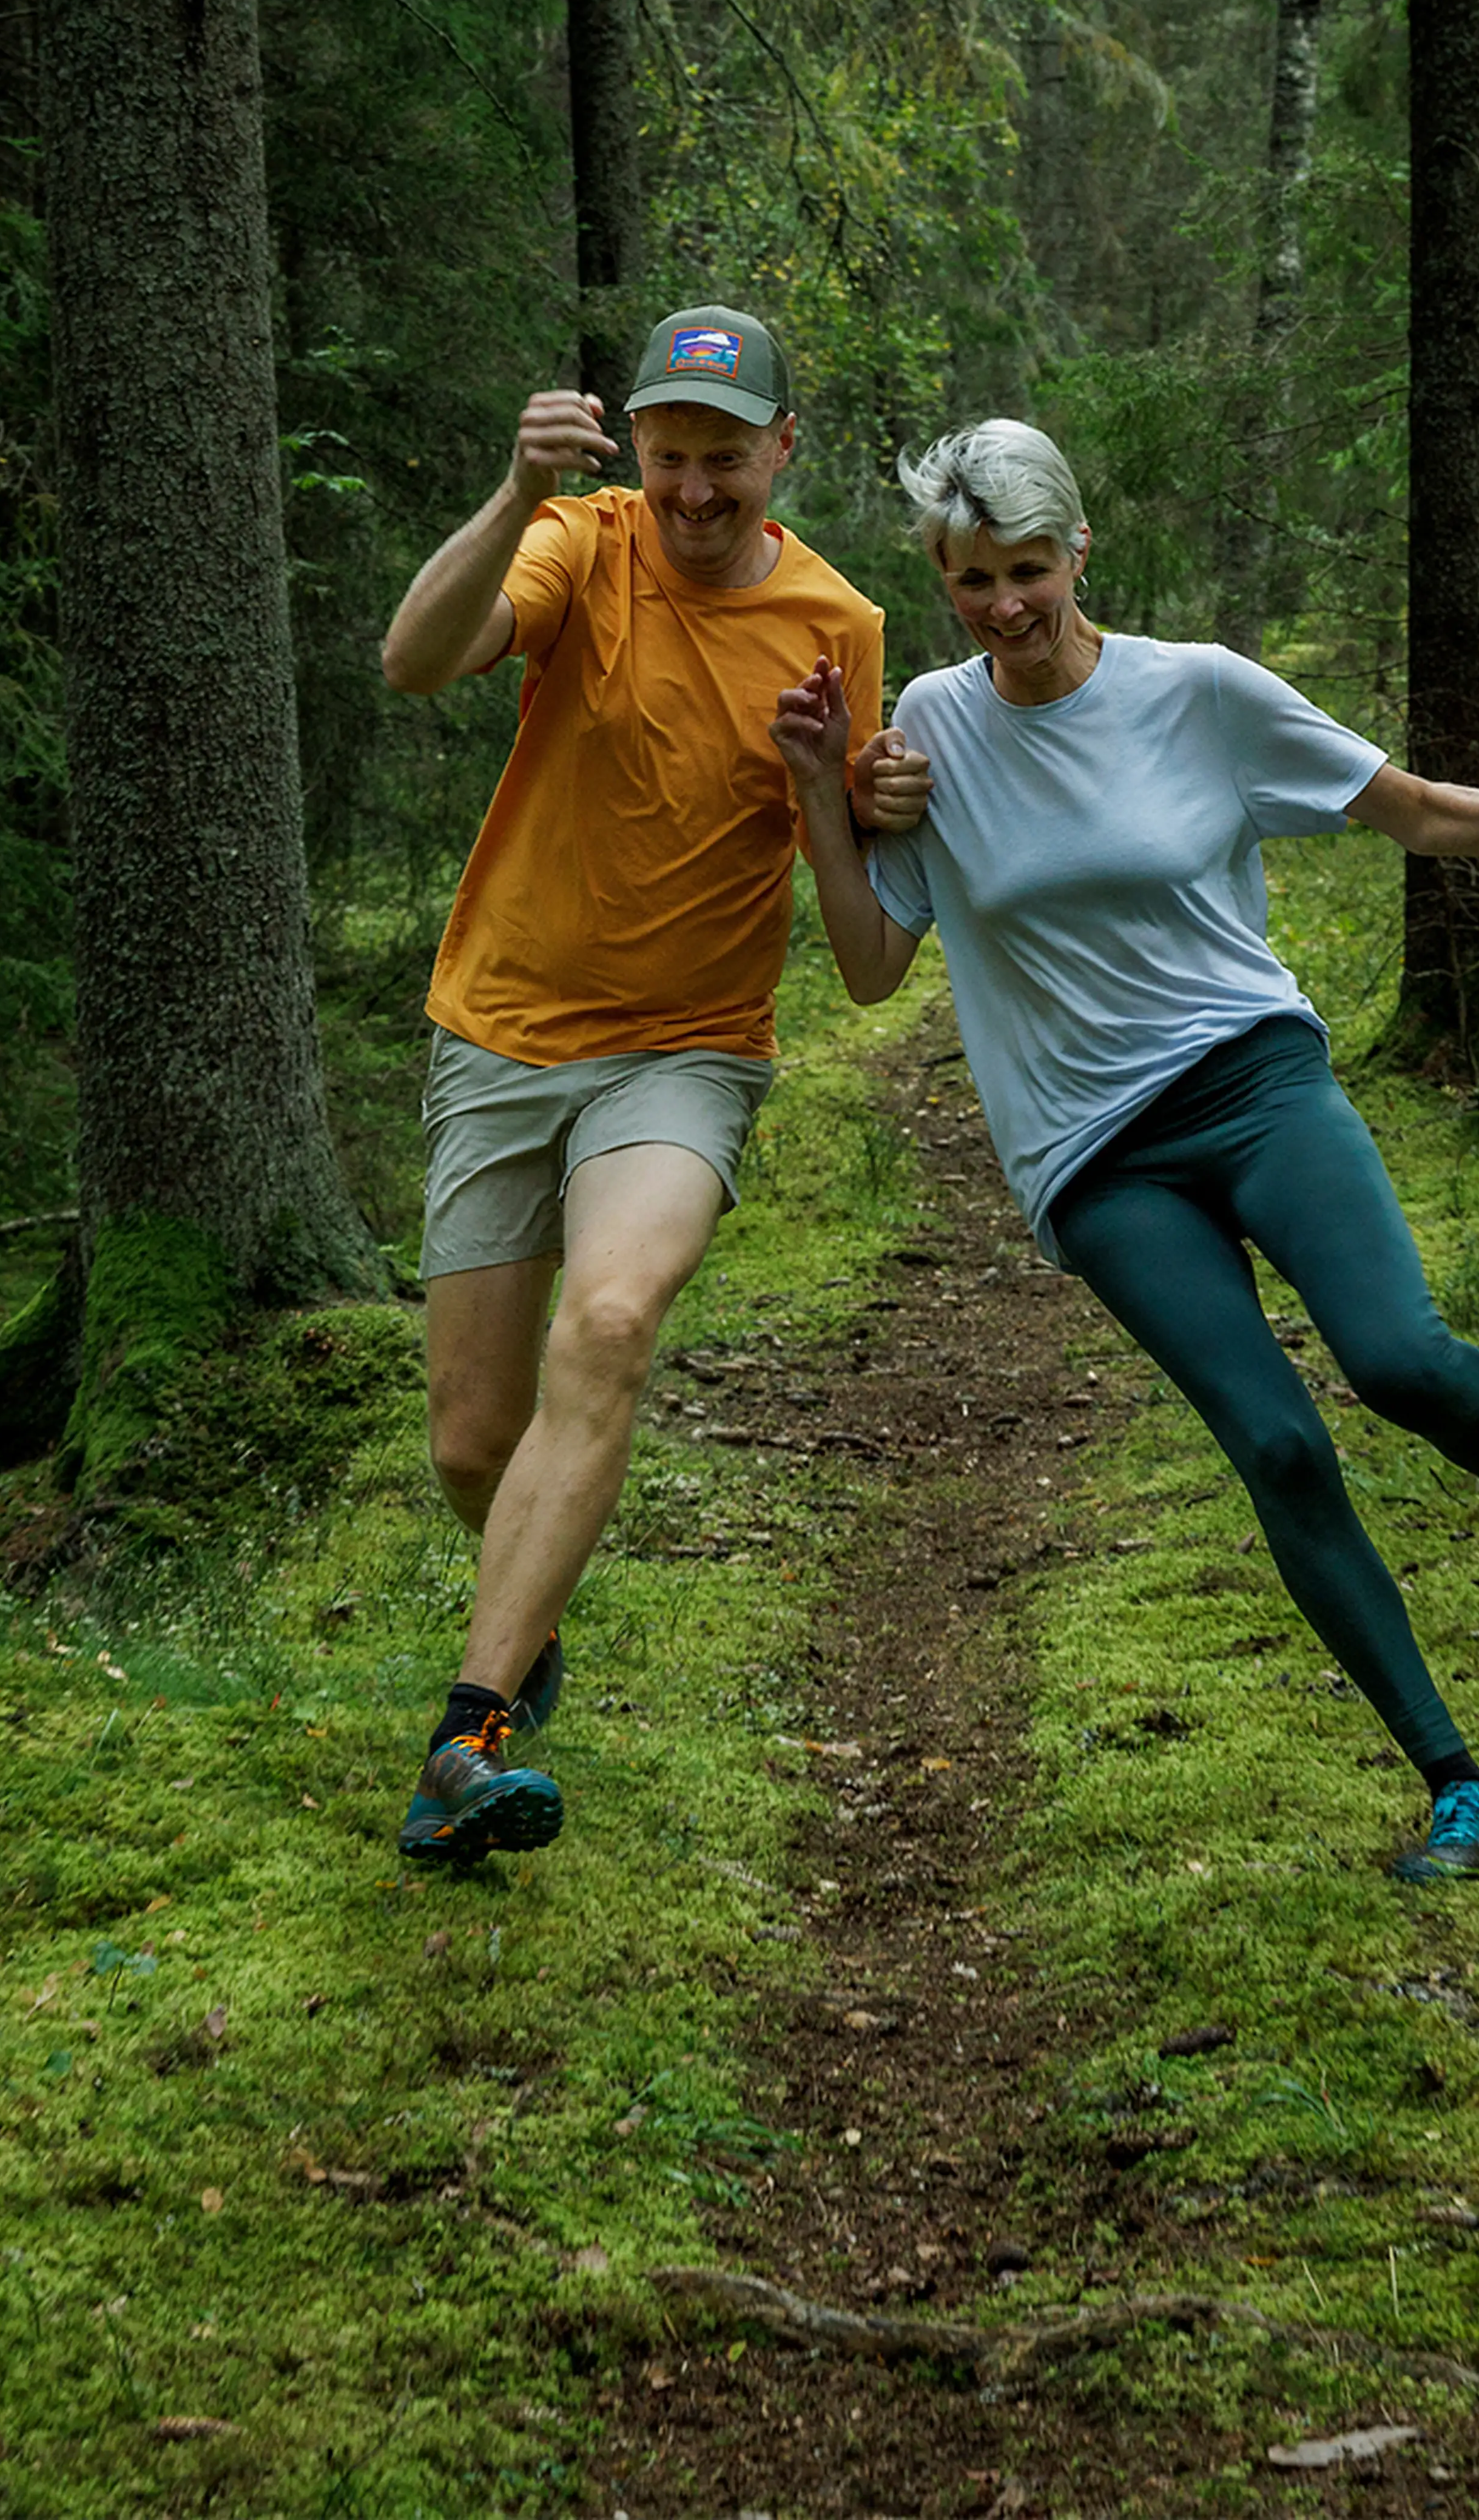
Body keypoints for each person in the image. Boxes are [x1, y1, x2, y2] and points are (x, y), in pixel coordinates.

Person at [770, 418, 1479, 1884]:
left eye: (1030, 569)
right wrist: (820, 797)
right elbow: (874, 967)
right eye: (974, 581)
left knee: (1397, 1358)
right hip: (1094, 1161)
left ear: (1080, 552)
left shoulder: (1197, 694)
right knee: (1277, 1442)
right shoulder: (930, 734)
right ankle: (1457, 1785)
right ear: (942, 580)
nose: (1007, 606)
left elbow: (1400, 807)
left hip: (1255, 1081)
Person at [380, 306, 925, 1867]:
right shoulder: (574, 541)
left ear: (782, 454)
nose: (694, 493)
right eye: (671, 458)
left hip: (687, 1048)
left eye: (725, 463)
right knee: (475, 1445)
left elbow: (863, 884)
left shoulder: (840, 620)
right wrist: (507, 494)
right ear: (641, 454)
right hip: (500, 1028)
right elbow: (416, 663)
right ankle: (523, 1630)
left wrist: (852, 785)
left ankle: (465, 1742)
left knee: (610, 1324)